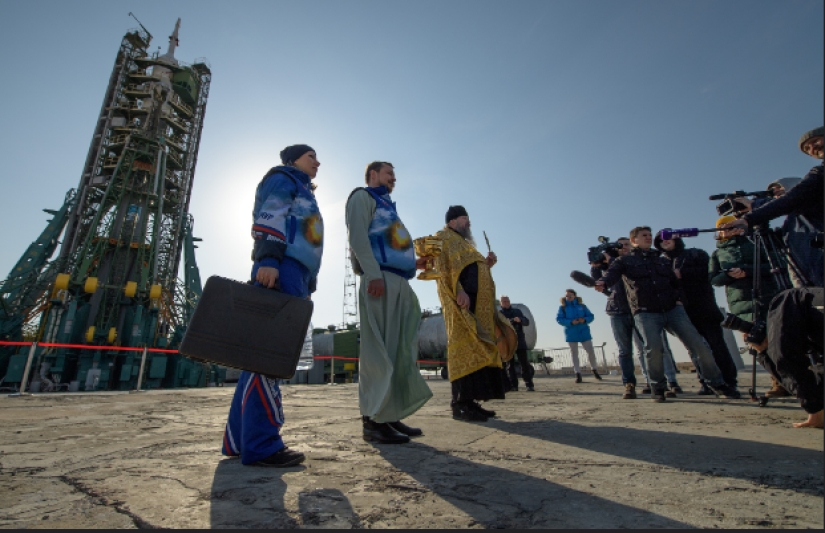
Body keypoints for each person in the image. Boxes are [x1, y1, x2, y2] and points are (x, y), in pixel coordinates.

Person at [222, 144, 324, 467]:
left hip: (293, 272)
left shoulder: (303, 187)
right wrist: (268, 259)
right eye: (312, 157)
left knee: (260, 356)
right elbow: (272, 214)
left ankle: (240, 440)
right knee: (270, 357)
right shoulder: (285, 178)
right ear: (295, 159)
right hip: (280, 268)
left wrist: (308, 281)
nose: (317, 162)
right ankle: (263, 444)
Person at [596, 226, 739, 401]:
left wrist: (678, 300)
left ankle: (717, 383)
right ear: (634, 240)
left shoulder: (661, 260)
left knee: (699, 346)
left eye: (649, 235)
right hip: (646, 312)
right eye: (644, 235)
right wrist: (602, 282)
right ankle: (658, 386)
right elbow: (611, 275)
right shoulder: (624, 261)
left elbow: (675, 282)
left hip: (672, 309)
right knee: (653, 349)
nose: (649, 237)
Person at [346, 161, 433, 444]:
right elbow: (358, 237)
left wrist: (415, 261)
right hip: (379, 279)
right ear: (373, 175)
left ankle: (389, 414)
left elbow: (388, 244)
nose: (393, 178)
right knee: (378, 351)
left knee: (397, 351)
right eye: (388, 173)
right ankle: (372, 421)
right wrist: (372, 274)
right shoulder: (363, 196)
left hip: (398, 280)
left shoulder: (388, 207)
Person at [722, 126, 823, 287]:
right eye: (807, 148)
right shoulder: (794, 222)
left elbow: (793, 199)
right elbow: (773, 244)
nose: (812, 148)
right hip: (808, 281)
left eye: (815, 141)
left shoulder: (815, 185)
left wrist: (753, 211)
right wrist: (748, 227)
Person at [433, 206, 506, 422]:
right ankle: (460, 404)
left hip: (475, 303)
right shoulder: (442, 237)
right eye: (465, 219)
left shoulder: (465, 243)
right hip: (460, 302)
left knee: (476, 350)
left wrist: (486, 264)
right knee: (463, 350)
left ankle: (472, 402)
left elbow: (470, 271)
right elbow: (442, 268)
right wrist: (459, 291)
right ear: (453, 221)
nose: (469, 223)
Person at [590, 238, 680, 398]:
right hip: (618, 310)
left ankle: (663, 382)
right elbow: (599, 281)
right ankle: (629, 385)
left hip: (641, 309)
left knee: (650, 347)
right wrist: (596, 265)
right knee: (625, 351)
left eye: (626, 244)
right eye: (621, 245)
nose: (624, 247)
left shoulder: (637, 263)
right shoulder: (613, 265)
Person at [710, 217, 785, 396]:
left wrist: (747, 271)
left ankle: (787, 380)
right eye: (722, 228)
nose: (726, 231)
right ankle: (779, 381)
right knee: (757, 342)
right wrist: (729, 275)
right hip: (740, 301)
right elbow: (713, 279)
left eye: (730, 227)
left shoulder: (756, 242)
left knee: (777, 340)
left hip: (767, 297)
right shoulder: (717, 254)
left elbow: (776, 265)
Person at [655, 233, 738, 392]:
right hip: (681, 312)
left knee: (716, 345)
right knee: (694, 349)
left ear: (676, 239)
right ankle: (706, 382)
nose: (664, 241)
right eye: (660, 240)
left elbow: (709, 274)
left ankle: (729, 381)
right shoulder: (661, 262)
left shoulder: (696, 254)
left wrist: (683, 274)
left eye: (668, 237)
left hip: (704, 308)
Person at [746, 287, 824, 428]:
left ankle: (816, 413)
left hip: (798, 303)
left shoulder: (790, 301)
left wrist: (763, 352)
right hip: (802, 304)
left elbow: (786, 364)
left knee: (785, 361)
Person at [556, 289, 601, 383]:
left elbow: (591, 316)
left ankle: (594, 369)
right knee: (574, 354)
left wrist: (584, 320)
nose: (568, 297)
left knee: (590, 351)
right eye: (567, 296)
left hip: (584, 331)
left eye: (570, 296)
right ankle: (578, 373)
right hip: (571, 332)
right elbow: (559, 319)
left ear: (575, 296)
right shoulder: (563, 308)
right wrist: (570, 322)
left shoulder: (582, 306)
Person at [499, 295, 534, 392]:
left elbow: (526, 321)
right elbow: (499, 324)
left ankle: (529, 384)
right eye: (504, 301)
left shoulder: (517, 311)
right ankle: (513, 385)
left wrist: (520, 320)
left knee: (524, 363)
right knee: (510, 364)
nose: (506, 303)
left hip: (520, 340)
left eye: (507, 301)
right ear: (501, 303)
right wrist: (511, 321)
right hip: (508, 342)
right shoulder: (499, 313)